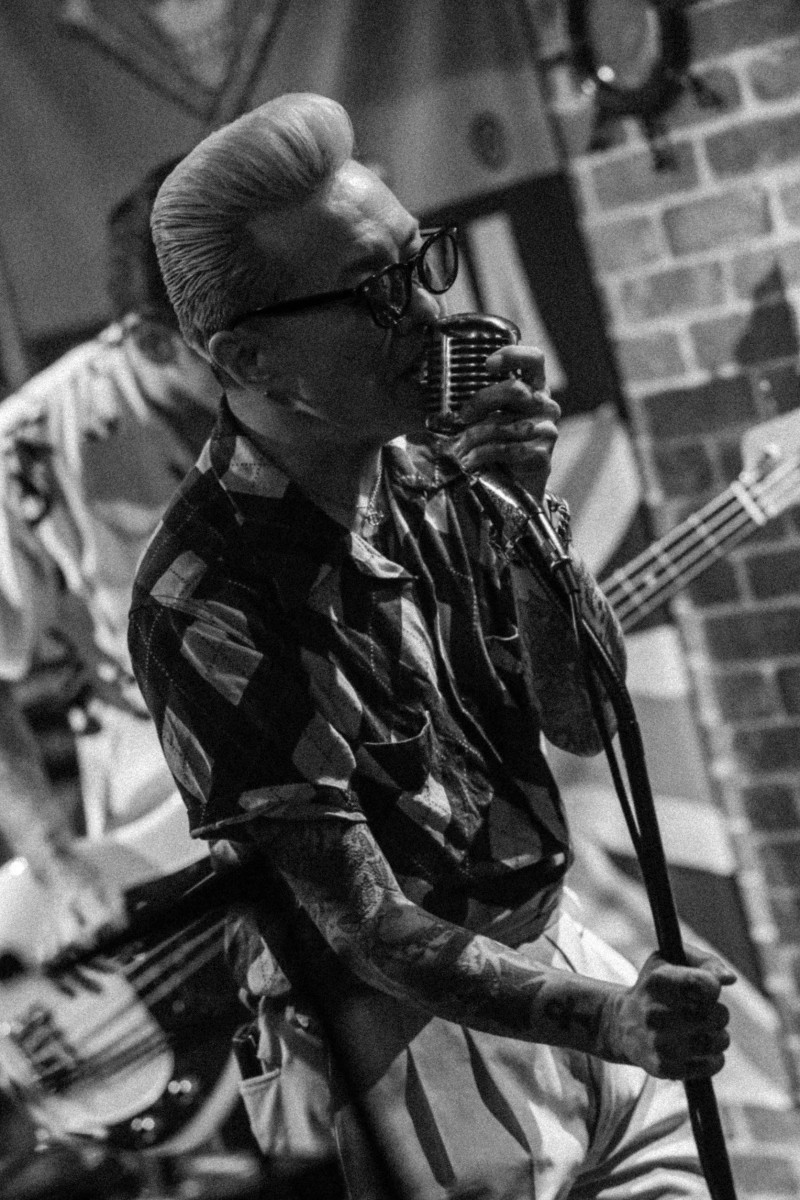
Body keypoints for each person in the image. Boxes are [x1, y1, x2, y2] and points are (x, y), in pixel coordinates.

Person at [128, 93, 735, 1200]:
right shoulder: (207, 588)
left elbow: (581, 720)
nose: (426, 311)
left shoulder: (440, 473)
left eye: (421, 261)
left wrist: (533, 518)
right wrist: (610, 1019)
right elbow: (363, 928)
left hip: (552, 955)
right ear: (250, 357)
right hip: (393, 1048)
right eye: (375, 290)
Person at [0, 159, 221, 962]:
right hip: (171, 849)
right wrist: (58, 865)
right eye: (224, 341)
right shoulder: (27, 447)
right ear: (152, 339)